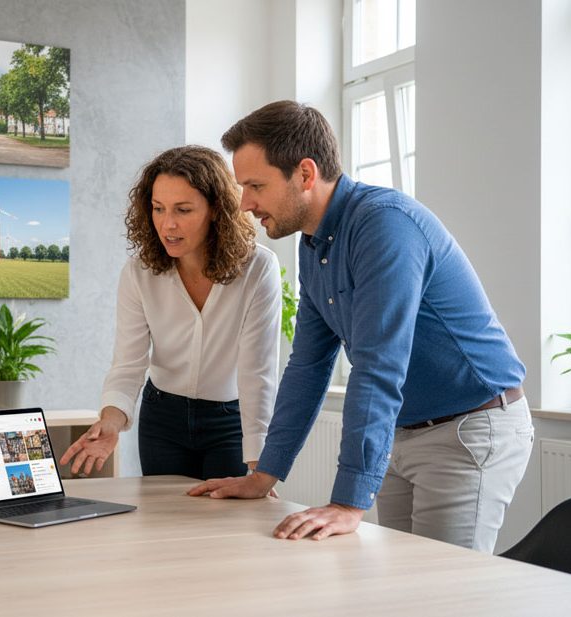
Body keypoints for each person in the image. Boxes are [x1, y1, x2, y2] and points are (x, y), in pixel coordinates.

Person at [188, 101, 533, 553]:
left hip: (468, 430)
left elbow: (378, 363)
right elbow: (308, 366)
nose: (245, 203)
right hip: (403, 431)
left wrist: (348, 502)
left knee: (442, 593)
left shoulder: (384, 226)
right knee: (400, 587)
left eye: (256, 185)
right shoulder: (313, 247)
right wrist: (264, 474)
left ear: (305, 175)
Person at [59, 145, 282, 480]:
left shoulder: (257, 268)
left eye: (183, 209)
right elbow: (128, 363)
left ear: (216, 210)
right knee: (163, 524)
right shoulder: (139, 273)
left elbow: (257, 374)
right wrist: (111, 421)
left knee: (226, 526)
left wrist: (259, 466)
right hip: (162, 421)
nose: (168, 224)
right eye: (159, 209)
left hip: (231, 422)